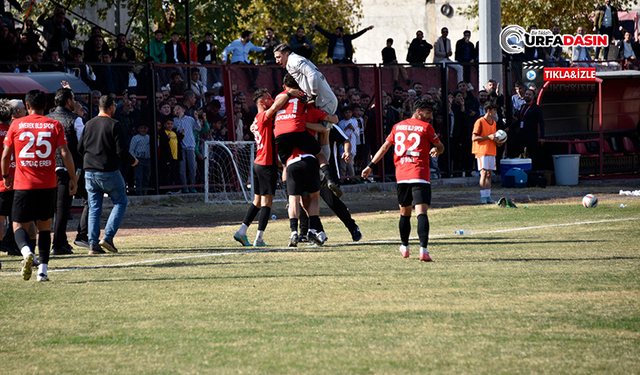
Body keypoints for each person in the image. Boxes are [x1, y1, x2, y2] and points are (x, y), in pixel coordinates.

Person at [2, 89, 77, 281]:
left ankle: (27, 253)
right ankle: (42, 271)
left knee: (18, 224)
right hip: (48, 184)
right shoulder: (54, 124)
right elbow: (65, 153)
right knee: (45, 227)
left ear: (27, 106)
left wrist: (5, 176)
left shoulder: (16, 124)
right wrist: (73, 177)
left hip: (24, 184)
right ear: (46, 106)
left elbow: (5, 155)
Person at [362, 98, 444, 262]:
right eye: (428, 113)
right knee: (421, 212)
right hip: (419, 175)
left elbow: (385, 147)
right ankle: (423, 250)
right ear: (418, 111)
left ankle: (405, 247)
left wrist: (370, 165)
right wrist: (437, 149)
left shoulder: (397, 126)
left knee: (404, 213)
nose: (430, 117)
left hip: (402, 176)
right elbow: (440, 146)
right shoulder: (426, 127)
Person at [234, 88, 297, 247]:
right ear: (261, 102)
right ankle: (259, 239)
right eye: (269, 98)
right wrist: (289, 94)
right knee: (267, 203)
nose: (273, 99)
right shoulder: (263, 116)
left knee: (257, 202)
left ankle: (241, 232)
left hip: (258, 163)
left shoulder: (256, 120)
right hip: (265, 164)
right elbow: (275, 108)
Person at [78, 95, 138, 255]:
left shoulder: (89, 124)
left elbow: (79, 148)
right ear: (111, 107)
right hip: (108, 170)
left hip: (89, 171)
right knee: (120, 202)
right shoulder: (114, 124)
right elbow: (121, 151)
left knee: (94, 207)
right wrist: (133, 161)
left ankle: (93, 243)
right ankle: (108, 237)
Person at [273, 43, 338, 162]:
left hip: (325, 101)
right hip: (321, 101)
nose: (277, 60)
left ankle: (323, 174)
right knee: (319, 135)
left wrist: (312, 94)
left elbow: (311, 74)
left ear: (287, 54)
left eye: (278, 57)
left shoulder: (294, 61)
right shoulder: (293, 61)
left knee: (324, 135)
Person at [46, 88, 82, 256]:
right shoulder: (76, 120)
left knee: (47, 208)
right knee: (62, 208)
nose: (75, 101)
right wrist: (77, 172)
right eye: (73, 98)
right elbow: (81, 147)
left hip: (45, 168)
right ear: (68, 101)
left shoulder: (46, 119)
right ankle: (58, 243)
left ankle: (57, 242)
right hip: (65, 169)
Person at [311, 20, 374, 87]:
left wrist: (366, 29)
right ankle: (346, 85)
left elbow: (357, 35)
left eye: (337, 32)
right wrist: (315, 25)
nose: (336, 33)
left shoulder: (347, 38)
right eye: (335, 32)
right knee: (344, 68)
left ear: (341, 33)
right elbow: (324, 32)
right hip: (336, 59)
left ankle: (356, 86)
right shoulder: (333, 37)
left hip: (345, 59)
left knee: (356, 69)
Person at [472, 101, 503, 204]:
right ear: (488, 111)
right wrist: (488, 137)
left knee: (489, 174)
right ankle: (483, 196)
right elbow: (474, 137)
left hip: (491, 150)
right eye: (494, 111)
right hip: (482, 151)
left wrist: (498, 142)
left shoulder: (494, 123)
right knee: (483, 173)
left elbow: (493, 136)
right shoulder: (480, 121)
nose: (495, 113)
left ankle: (488, 195)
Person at [511, 88, 545, 167]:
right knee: (515, 152)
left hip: (531, 135)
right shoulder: (523, 106)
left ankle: (534, 172)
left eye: (529, 95)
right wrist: (509, 128)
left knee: (533, 155)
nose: (527, 96)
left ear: (533, 97)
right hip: (522, 134)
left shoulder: (536, 108)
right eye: (526, 94)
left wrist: (542, 136)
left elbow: (541, 122)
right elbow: (519, 120)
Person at [173, 104, 201, 193]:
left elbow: (198, 128)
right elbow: (176, 130)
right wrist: (179, 119)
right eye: (175, 109)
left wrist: (197, 119)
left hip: (190, 146)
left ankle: (192, 185)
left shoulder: (190, 119)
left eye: (179, 108)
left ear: (183, 110)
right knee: (182, 167)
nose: (177, 110)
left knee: (192, 167)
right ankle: (184, 186)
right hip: (181, 146)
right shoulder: (174, 120)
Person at [129, 123, 151, 195]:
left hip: (147, 159)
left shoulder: (149, 137)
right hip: (138, 159)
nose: (143, 130)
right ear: (138, 129)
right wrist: (134, 158)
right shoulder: (135, 138)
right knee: (139, 177)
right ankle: (139, 193)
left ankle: (145, 192)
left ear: (147, 129)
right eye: (141, 128)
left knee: (146, 176)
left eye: (145, 128)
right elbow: (131, 149)